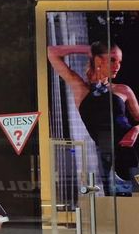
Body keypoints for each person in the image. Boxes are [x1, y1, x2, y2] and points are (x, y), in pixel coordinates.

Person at [47, 42, 139, 191]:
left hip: (134, 149)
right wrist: (88, 50)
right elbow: (52, 51)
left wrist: (135, 130)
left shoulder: (123, 89)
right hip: (108, 159)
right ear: (98, 60)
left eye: (120, 61)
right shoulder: (81, 90)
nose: (118, 66)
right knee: (115, 204)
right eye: (112, 60)